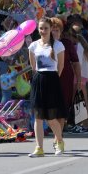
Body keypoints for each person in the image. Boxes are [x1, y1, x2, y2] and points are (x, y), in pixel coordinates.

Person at [28, 17, 67, 157]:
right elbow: (33, 66)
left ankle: (59, 142)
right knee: (38, 117)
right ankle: (39, 148)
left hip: (52, 80)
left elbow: (61, 66)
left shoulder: (58, 45)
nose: (43, 31)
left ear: (51, 29)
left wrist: (53, 79)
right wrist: (38, 78)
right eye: (41, 28)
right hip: (39, 80)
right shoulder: (33, 46)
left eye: (45, 28)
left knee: (51, 117)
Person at [50, 17, 82, 133]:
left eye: (56, 29)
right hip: (48, 80)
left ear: (61, 31)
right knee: (51, 108)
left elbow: (76, 63)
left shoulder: (67, 43)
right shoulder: (42, 44)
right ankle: (57, 134)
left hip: (65, 79)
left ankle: (58, 136)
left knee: (62, 107)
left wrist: (78, 80)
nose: (54, 32)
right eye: (52, 29)